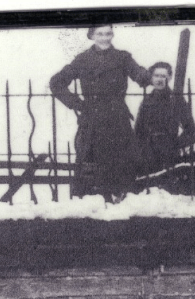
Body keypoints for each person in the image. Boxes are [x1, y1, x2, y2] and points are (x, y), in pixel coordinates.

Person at [49, 25, 153, 201]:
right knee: (90, 164)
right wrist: (77, 104)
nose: (105, 38)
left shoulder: (123, 57)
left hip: (117, 118)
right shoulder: (82, 60)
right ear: (91, 36)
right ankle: (90, 204)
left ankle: (122, 203)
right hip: (92, 119)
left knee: (121, 163)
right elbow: (56, 82)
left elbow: (139, 74)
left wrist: (146, 76)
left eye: (108, 34)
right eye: (100, 34)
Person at [135, 61, 195, 176]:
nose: (159, 79)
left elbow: (190, 128)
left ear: (169, 77)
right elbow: (138, 130)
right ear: (151, 78)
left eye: (163, 76)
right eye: (156, 76)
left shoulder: (176, 100)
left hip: (168, 153)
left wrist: (175, 144)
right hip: (148, 153)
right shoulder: (146, 101)